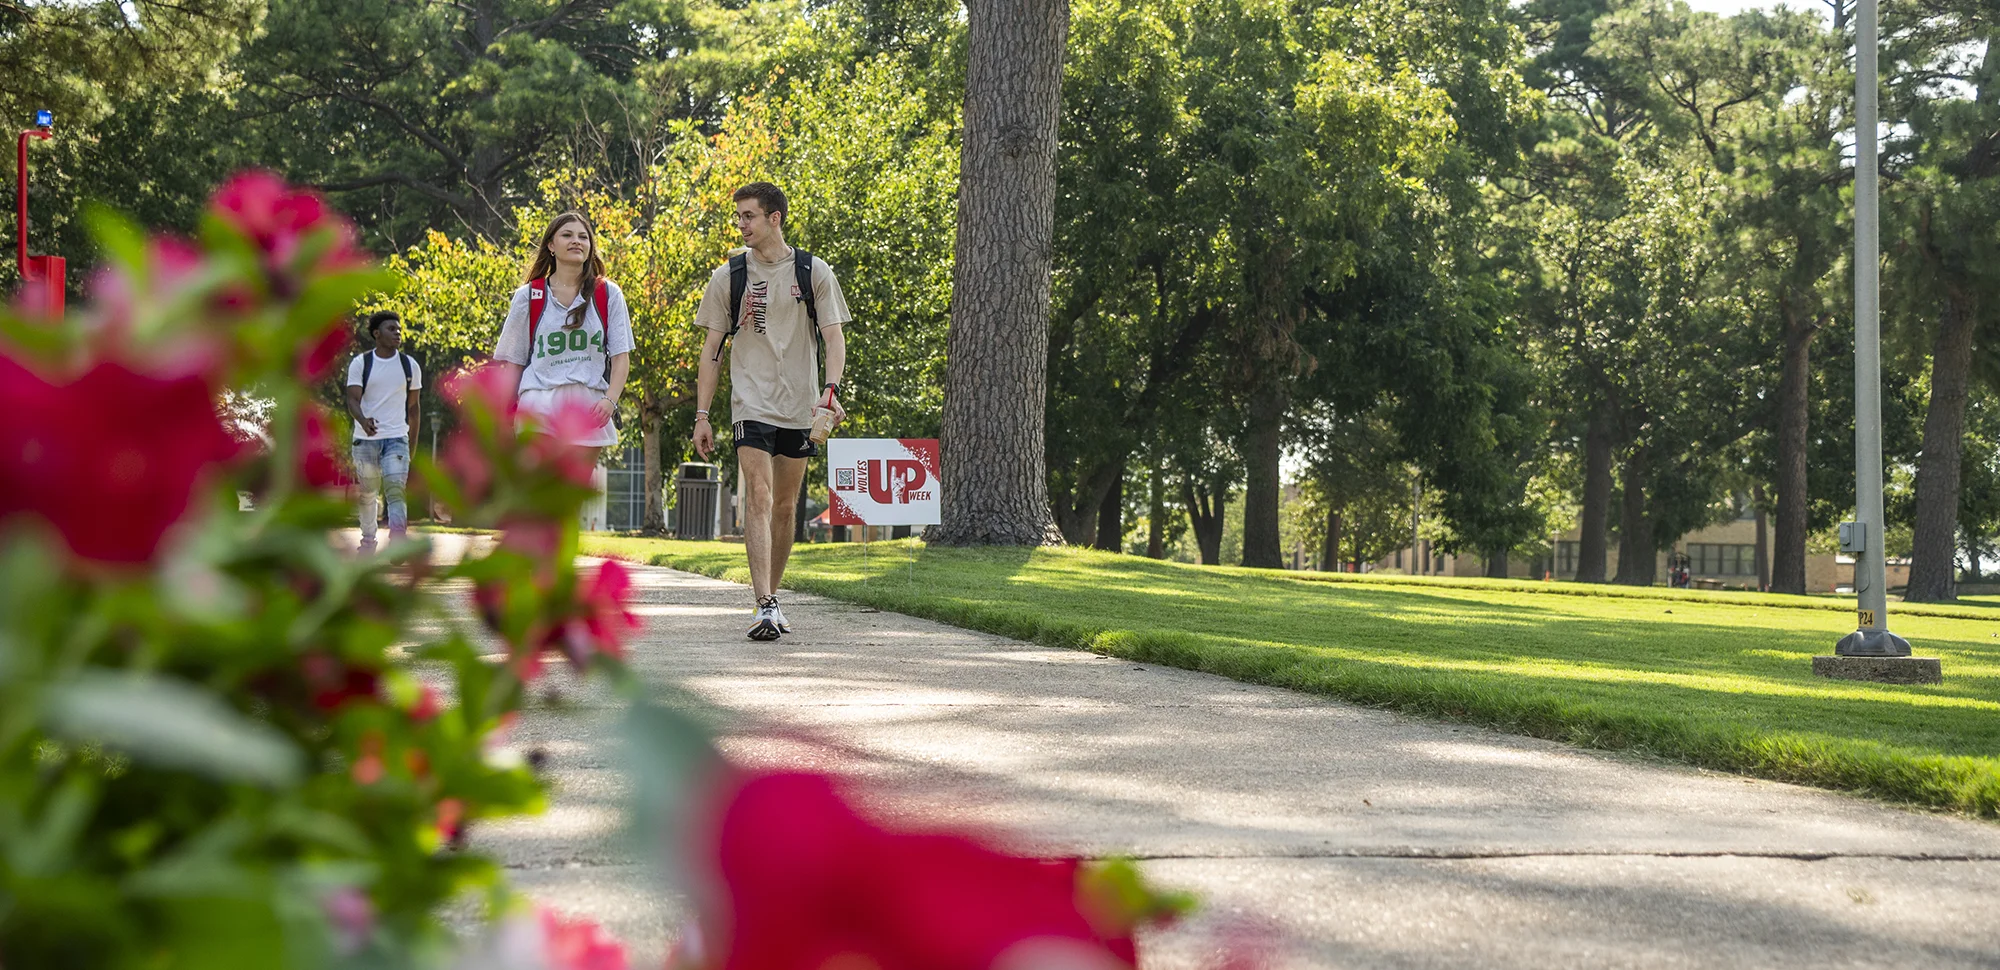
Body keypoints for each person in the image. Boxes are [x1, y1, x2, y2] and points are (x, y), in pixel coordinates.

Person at [693, 182, 849, 641]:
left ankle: (772, 599)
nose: (741, 224)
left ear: (774, 218)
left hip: (801, 405)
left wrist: (830, 391)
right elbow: (711, 352)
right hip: (751, 401)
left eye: (749, 216)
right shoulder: (729, 276)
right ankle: (763, 603)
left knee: (784, 507)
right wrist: (702, 415)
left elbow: (834, 337)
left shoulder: (812, 271)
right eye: (739, 216)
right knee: (758, 497)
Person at [492, 211, 633, 470]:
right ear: (551, 245)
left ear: (590, 247)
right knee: (539, 491)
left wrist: (610, 400)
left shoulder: (608, 294)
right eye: (567, 235)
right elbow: (513, 363)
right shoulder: (528, 297)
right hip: (537, 403)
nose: (576, 241)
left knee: (570, 500)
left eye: (583, 237)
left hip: (589, 408)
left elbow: (621, 357)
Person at [345, 310, 422, 553]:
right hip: (365, 441)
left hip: (397, 438)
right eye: (391, 329)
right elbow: (352, 399)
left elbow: (414, 408)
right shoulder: (361, 363)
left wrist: (412, 445)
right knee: (368, 495)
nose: (398, 333)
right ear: (376, 334)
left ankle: (398, 543)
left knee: (396, 491)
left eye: (399, 329)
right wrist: (363, 420)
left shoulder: (409, 365)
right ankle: (368, 543)